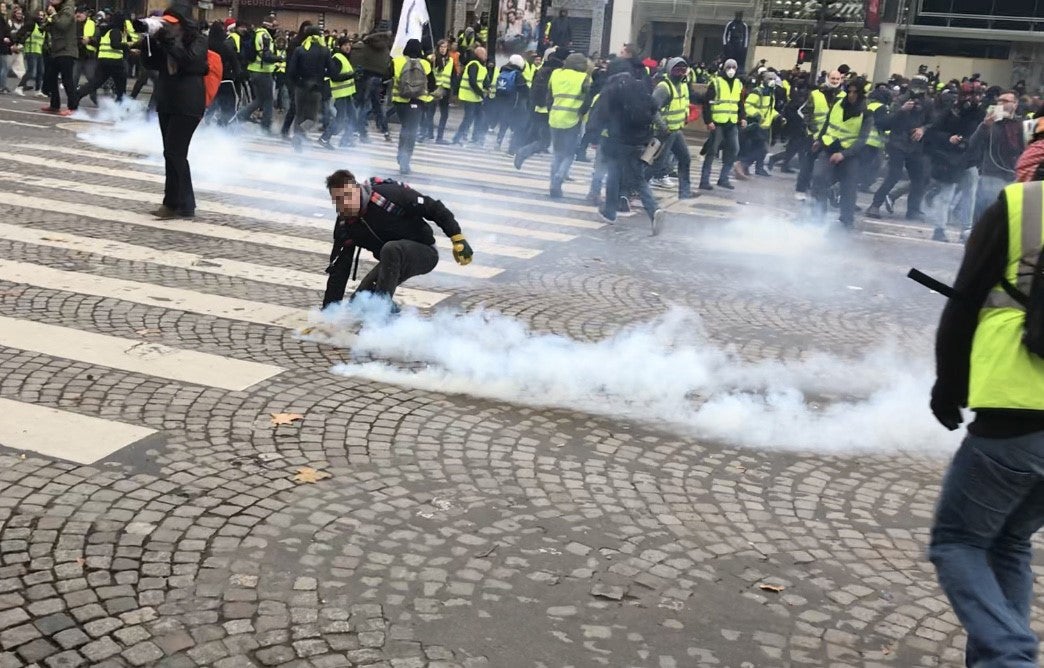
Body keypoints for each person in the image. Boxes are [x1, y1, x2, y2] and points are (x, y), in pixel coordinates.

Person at [928, 141, 1044, 668]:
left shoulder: (1022, 205)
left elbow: (965, 302)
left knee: (957, 541)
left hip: (1016, 410)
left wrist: (948, 386)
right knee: (1007, 543)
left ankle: (1011, 657)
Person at [322, 169, 474, 310]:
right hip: (391, 261)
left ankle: (380, 313)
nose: (345, 204)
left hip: (423, 252)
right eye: (339, 200)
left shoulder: (387, 196)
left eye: (348, 196)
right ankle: (393, 315)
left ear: (357, 190)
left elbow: (433, 207)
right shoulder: (345, 225)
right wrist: (328, 314)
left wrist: (457, 237)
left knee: (391, 249)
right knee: (358, 304)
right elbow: (339, 270)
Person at [140, 3, 207, 219]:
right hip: (168, 101)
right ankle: (180, 204)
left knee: (175, 153)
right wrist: (149, 40)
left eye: (171, 24)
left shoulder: (197, 40)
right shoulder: (166, 42)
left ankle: (176, 204)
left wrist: (168, 40)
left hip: (188, 104)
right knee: (171, 153)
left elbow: (188, 61)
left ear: (182, 23)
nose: (167, 28)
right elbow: (150, 62)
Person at [587, 70, 662, 230]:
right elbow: (654, 107)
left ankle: (611, 212)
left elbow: (599, 115)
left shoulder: (611, 92)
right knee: (637, 179)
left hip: (618, 142)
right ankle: (651, 210)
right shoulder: (640, 89)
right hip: (640, 142)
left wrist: (593, 137)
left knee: (614, 175)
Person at [865, 74, 933, 221]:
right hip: (897, 143)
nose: (917, 91)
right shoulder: (900, 100)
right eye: (915, 87)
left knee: (918, 178)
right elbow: (886, 122)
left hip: (915, 145)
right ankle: (875, 204)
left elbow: (932, 121)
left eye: (921, 88)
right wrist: (901, 110)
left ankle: (913, 210)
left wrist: (923, 129)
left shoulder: (928, 103)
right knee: (893, 175)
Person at [810, 77, 873, 230]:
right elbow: (827, 123)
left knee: (849, 187)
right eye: (849, 91)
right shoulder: (838, 104)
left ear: (861, 94)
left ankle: (847, 220)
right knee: (818, 179)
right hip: (830, 148)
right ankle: (818, 215)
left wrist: (844, 154)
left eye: (855, 92)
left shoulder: (866, 113)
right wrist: (819, 140)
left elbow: (862, 140)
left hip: (850, 155)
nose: (851, 95)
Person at [966, 90, 1025, 222]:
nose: (1001, 104)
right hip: (991, 172)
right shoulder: (991, 123)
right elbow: (973, 143)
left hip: (1013, 173)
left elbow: (1025, 148)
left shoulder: (1020, 124)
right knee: (988, 210)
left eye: (1006, 101)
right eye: (999, 101)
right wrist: (985, 125)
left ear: (1015, 104)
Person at [546, 50, 589, 198]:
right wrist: (582, 113)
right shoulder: (583, 78)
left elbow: (549, 97)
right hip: (572, 120)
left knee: (557, 153)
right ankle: (560, 176)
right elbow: (587, 99)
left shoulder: (556, 74)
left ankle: (553, 184)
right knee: (569, 154)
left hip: (554, 118)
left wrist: (551, 110)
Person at [649, 56, 694, 197]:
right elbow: (652, 109)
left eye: (683, 69)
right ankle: (636, 187)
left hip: (676, 130)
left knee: (685, 158)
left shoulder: (683, 86)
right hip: (662, 133)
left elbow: (684, 103)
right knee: (654, 163)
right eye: (677, 70)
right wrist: (663, 127)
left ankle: (685, 192)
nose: (681, 73)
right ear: (669, 70)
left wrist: (685, 116)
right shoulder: (664, 88)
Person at [794, 69, 842, 199]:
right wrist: (814, 130)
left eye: (837, 79)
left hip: (831, 136)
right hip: (813, 135)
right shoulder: (815, 94)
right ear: (827, 78)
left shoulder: (843, 96)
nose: (835, 81)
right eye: (833, 79)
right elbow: (805, 112)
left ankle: (821, 193)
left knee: (828, 166)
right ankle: (801, 190)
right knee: (808, 163)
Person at [700, 58, 745, 191]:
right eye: (728, 67)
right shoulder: (716, 82)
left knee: (734, 149)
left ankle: (723, 179)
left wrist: (742, 117)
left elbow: (740, 103)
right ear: (724, 68)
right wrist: (708, 121)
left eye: (734, 67)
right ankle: (704, 181)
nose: (731, 70)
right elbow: (706, 103)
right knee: (712, 151)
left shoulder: (738, 83)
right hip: (718, 122)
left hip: (732, 121)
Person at [233, 15, 281, 133]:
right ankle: (265, 126)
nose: (276, 29)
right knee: (268, 100)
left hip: (255, 70)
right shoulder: (264, 36)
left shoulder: (258, 33)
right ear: (269, 25)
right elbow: (266, 56)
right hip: (262, 72)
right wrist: (280, 58)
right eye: (274, 26)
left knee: (259, 99)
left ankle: (239, 117)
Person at [285, 25, 330, 152]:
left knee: (299, 115)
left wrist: (297, 83)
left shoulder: (300, 50)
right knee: (311, 118)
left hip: (300, 87)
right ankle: (298, 137)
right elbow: (332, 71)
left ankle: (297, 140)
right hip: (315, 88)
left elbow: (291, 70)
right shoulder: (324, 51)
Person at [75, 11, 127, 105]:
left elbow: (99, 43)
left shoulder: (105, 30)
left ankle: (77, 95)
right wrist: (127, 47)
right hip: (115, 62)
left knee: (95, 82)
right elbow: (115, 45)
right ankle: (121, 106)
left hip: (103, 60)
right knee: (121, 85)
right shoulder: (116, 30)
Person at [318, 36, 357, 149]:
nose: (348, 47)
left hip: (347, 93)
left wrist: (356, 76)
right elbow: (334, 77)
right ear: (340, 46)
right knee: (341, 118)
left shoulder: (344, 58)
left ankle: (345, 140)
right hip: (339, 94)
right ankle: (325, 138)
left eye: (349, 45)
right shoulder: (337, 58)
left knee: (352, 117)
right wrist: (352, 75)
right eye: (345, 45)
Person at [452, 45, 488, 146]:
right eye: (484, 54)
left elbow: (484, 81)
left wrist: (487, 87)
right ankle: (457, 137)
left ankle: (476, 138)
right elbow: (472, 81)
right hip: (469, 96)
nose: (486, 56)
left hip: (475, 97)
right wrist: (481, 93)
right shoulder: (473, 64)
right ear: (479, 54)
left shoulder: (481, 66)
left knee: (479, 117)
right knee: (468, 118)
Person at [422, 38, 453, 144]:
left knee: (444, 114)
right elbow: (426, 67)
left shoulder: (450, 59)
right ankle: (428, 133)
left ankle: (439, 137)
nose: (443, 49)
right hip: (434, 88)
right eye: (441, 47)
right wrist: (430, 59)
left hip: (445, 89)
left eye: (445, 47)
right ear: (438, 47)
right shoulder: (433, 58)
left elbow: (451, 74)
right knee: (430, 112)